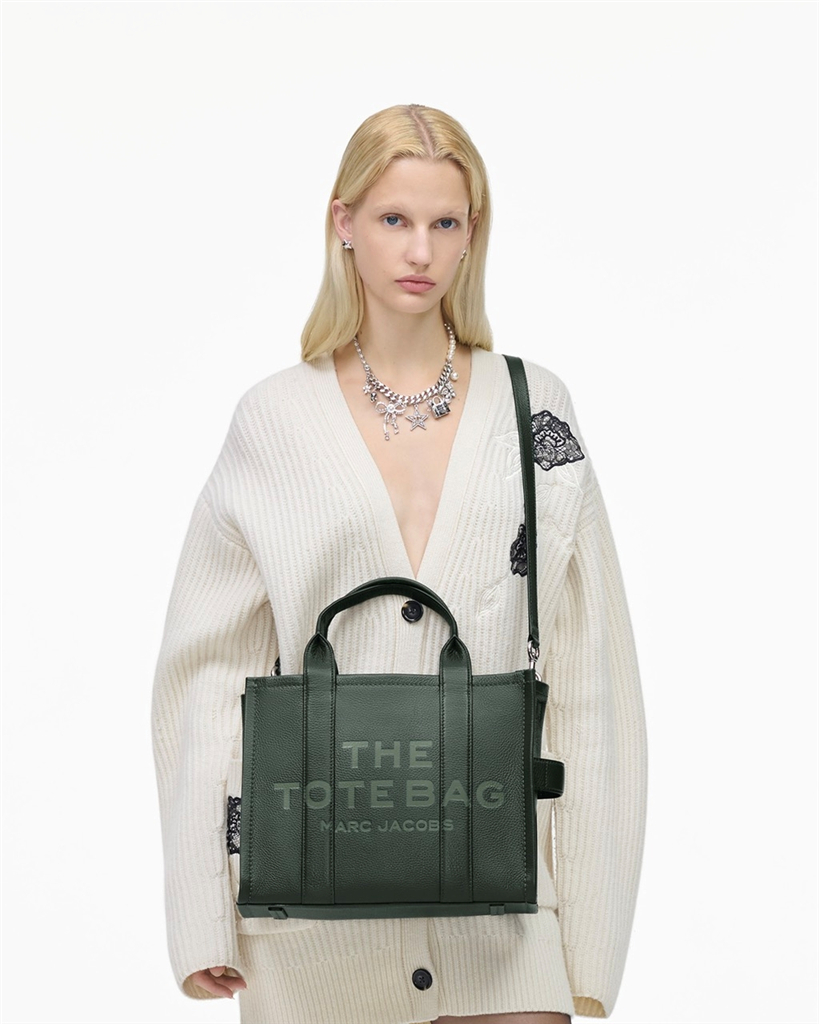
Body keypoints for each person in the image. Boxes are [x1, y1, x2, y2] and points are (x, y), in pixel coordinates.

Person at [151, 103, 648, 1024]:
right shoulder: (273, 421)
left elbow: (589, 678)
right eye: (393, 219)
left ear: (471, 234)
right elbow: (206, 678)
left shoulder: (534, 411)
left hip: (505, 933)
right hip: (310, 942)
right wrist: (202, 913)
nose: (420, 250)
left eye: (444, 222)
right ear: (342, 223)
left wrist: (588, 940)